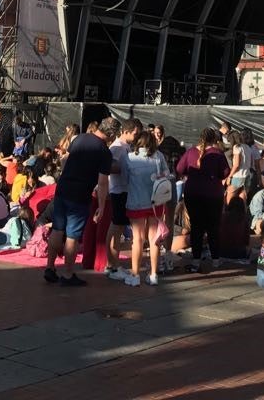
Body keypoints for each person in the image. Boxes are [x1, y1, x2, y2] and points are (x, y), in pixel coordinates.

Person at [44, 116, 118, 286]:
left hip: (63, 189)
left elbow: (65, 159)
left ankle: (50, 267)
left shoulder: (80, 138)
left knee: (57, 229)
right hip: (80, 195)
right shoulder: (104, 152)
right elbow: (102, 181)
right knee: (72, 235)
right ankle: (68, 274)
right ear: (112, 135)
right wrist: (101, 205)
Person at [176, 127, 230, 271]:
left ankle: (196, 261)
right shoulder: (218, 154)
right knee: (213, 227)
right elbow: (225, 172)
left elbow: (179, 169)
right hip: (213, 194)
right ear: (214, 139)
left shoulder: (191, 152)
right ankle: (216, 260)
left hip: (193, 193)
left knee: (196, 227)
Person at [122, 131, 170, 286]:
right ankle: (154, 274)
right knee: (154, 239)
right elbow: (168, 175)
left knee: (137, 239)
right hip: (155, 204)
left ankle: (135, 275)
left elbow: (124, 179)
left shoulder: (129, 158)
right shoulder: (159, 157)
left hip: (136, 202)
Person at [104, 118, 138, 281]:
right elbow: (108, 167)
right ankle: (111, 265)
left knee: (118, 227)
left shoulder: (126, 147)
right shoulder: (117, 147)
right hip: (118, 191)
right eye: (135, 133)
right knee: (116, 227)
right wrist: (126, 168)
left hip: (124, 190)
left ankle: (114, 264)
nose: (136, 136)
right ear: (126, 131)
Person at [225, 130, 253, 196]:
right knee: (243, 201)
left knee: (230, 200)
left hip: (238, 177)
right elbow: (251, 164)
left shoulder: (237, 147)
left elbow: (236, 165)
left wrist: (229, 176)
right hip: (247, 176)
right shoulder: (248, 147)